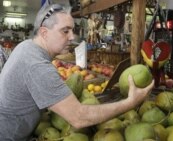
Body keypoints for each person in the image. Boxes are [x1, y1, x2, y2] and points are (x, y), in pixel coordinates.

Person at [0, 3, 154, 141]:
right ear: (44, 33)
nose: (72, 37)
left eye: (72, 30)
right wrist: (130, 102)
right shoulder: (37, 66)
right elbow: (79, 118)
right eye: (65, 31)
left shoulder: (27, 46)